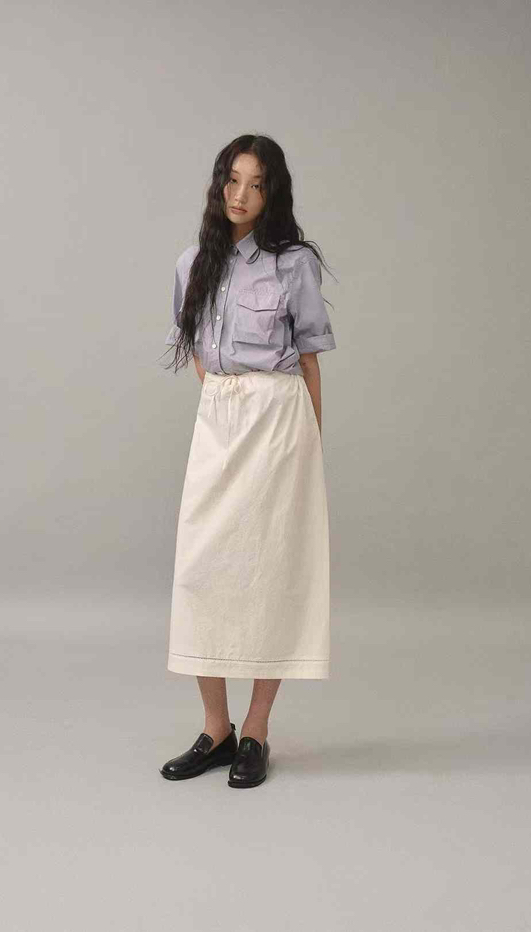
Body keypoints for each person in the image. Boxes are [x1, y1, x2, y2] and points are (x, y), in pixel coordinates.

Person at [159, 133, 337, 788]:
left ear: (272, 193)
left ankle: (256, 731)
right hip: (221, 421)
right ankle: (216, 729)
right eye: (232, 180)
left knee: (271, 572)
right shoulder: (191, 263)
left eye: (256, 184)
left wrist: (310, 443)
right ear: (218, 184)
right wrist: (222, 400)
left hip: (280, 423)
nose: (241, 195)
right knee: (202, 569)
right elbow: (195, 349)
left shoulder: (293, 264)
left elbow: (309, 360)